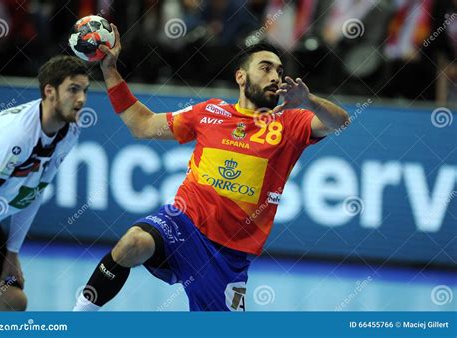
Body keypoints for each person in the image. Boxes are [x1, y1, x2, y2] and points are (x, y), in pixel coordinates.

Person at [73, 25, 349, 312]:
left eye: (279, 71)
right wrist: (109, 69)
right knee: (132, 243)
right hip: (183, 223)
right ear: (241, 77)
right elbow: (142, 125)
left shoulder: (291, 124)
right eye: (265, 68)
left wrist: (309, 101)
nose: (275, 77)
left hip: (228, 255)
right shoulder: (209, 112)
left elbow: (339, 121)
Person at [0, 55, 90, 311]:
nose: (82, 100)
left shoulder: (69, 132)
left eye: (84, 91)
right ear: (49, 91)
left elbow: (34, 193)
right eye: (73, 90)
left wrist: (13, 253)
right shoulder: (16, 136)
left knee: (13, 303)